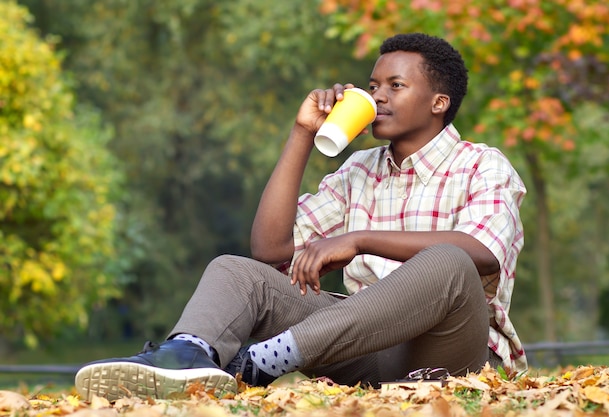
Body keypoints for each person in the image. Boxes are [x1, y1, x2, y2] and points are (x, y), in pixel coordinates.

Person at [74, 32, 527, 402]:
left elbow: (482, 253)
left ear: (439, 103)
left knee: (447, 261)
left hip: (451, 355)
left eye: (395, 86)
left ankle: (262, 362)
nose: (377, 97)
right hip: (367, 351)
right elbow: (270, 251)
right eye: (373, 86)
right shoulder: (358, 171)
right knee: (236, 271)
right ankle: (183, 356)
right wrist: (302, 133)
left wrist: (359, 239)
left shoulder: (482, 165)